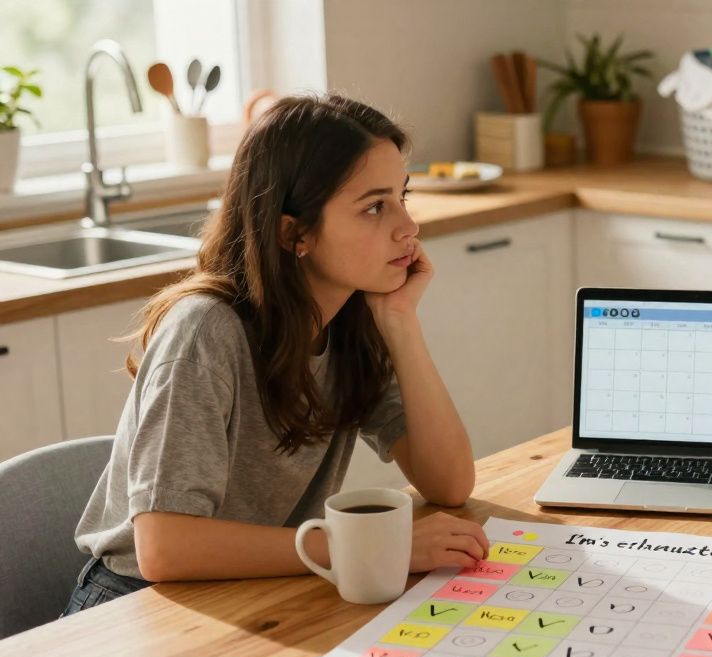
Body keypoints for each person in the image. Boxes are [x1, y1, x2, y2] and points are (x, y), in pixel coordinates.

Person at [66, 94, 489, 614]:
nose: (409, 227)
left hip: (259, 587)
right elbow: (162, 547)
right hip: (136, 606)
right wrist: (372, 547)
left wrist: (402, 323)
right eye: (375, 207)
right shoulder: (205, 331)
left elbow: (449, 483)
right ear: (295, 232)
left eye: (403, 196)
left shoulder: (356, 318)